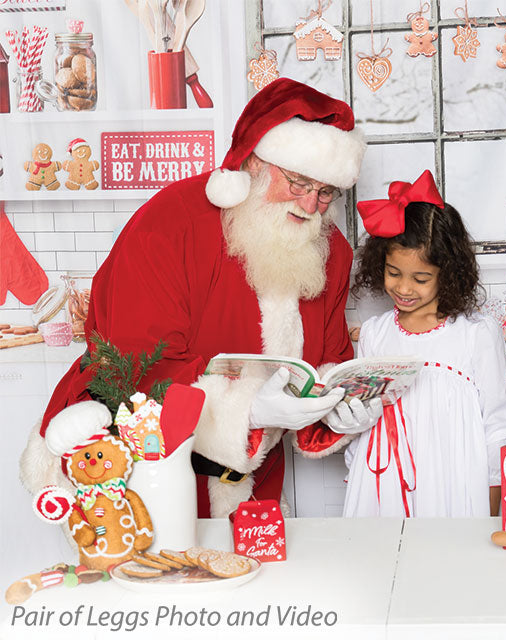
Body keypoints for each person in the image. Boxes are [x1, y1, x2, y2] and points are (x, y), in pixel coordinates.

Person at [21, 79, 382, 518]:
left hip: (250, 483)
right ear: (253, 163)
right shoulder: (170, 223)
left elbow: (325, 361)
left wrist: (338, 408)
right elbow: (135, 367)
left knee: (257, 584)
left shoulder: (331, 251)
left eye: (327, 192)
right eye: (298, 182)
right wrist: (248, 409)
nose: (311, 205)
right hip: (142, 473)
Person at [343, 170, 506, 518]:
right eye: (394, 273)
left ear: (449, 273)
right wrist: (355, 472)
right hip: (383, 474)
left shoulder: (475, 334)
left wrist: (493, 492)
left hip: (451, 477)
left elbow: (497, 421)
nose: (404, 288)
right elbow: (365, 415)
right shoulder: (376, 333)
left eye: (420, 278)